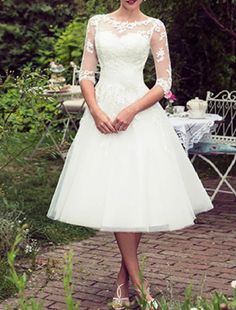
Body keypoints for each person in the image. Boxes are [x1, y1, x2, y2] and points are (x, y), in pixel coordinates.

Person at [47, 0, 214, 309]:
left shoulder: (154, 26)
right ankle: (137, 284)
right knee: (119, 192)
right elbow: (86, 74)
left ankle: (129, 283)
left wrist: (132, 110)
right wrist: (96, 111)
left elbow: (164, 83)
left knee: (134, 194)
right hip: (103, 120)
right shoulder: (97, 22)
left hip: (139, 118)